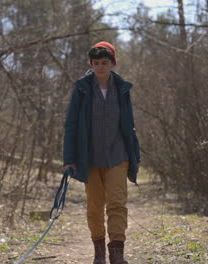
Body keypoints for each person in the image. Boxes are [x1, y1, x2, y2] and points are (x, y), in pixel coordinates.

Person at [63, 41, 140, 264]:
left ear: (112, 63)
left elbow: (129, 125)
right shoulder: (82, 88)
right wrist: (69, 159)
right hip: (90, 158)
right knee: (94, 206)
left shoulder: (122, 88)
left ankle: (117, 255)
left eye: (105, 63)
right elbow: (71, 124)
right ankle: (99, 253)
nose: (100, 67)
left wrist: (134, 154)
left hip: (118, 155)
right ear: (91, 63)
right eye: (96, 63)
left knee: (117, 204)